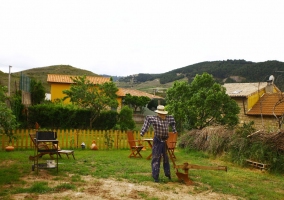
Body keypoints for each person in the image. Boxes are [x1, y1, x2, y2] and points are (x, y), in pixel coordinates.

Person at [140, 105, 177, 182]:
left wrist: (174, 130)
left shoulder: (168, 118)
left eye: (163, 114)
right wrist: (142, 132)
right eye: (161, 114)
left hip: (164, 141)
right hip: (157, 140)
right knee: (156, 158)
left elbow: (173, 122)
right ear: (158, 113)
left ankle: (168, 174)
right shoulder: (153, 118)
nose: (163, 115)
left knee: (166, 158)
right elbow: (147, 121)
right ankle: (155, 177)